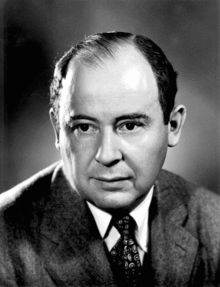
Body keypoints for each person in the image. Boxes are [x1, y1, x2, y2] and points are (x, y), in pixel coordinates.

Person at [0, 31, 219, 287]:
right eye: (84, 127)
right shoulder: (4, 238)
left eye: (129, 126)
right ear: (58, 130)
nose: (106, 155)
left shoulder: (214, 225)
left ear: (172, 126)